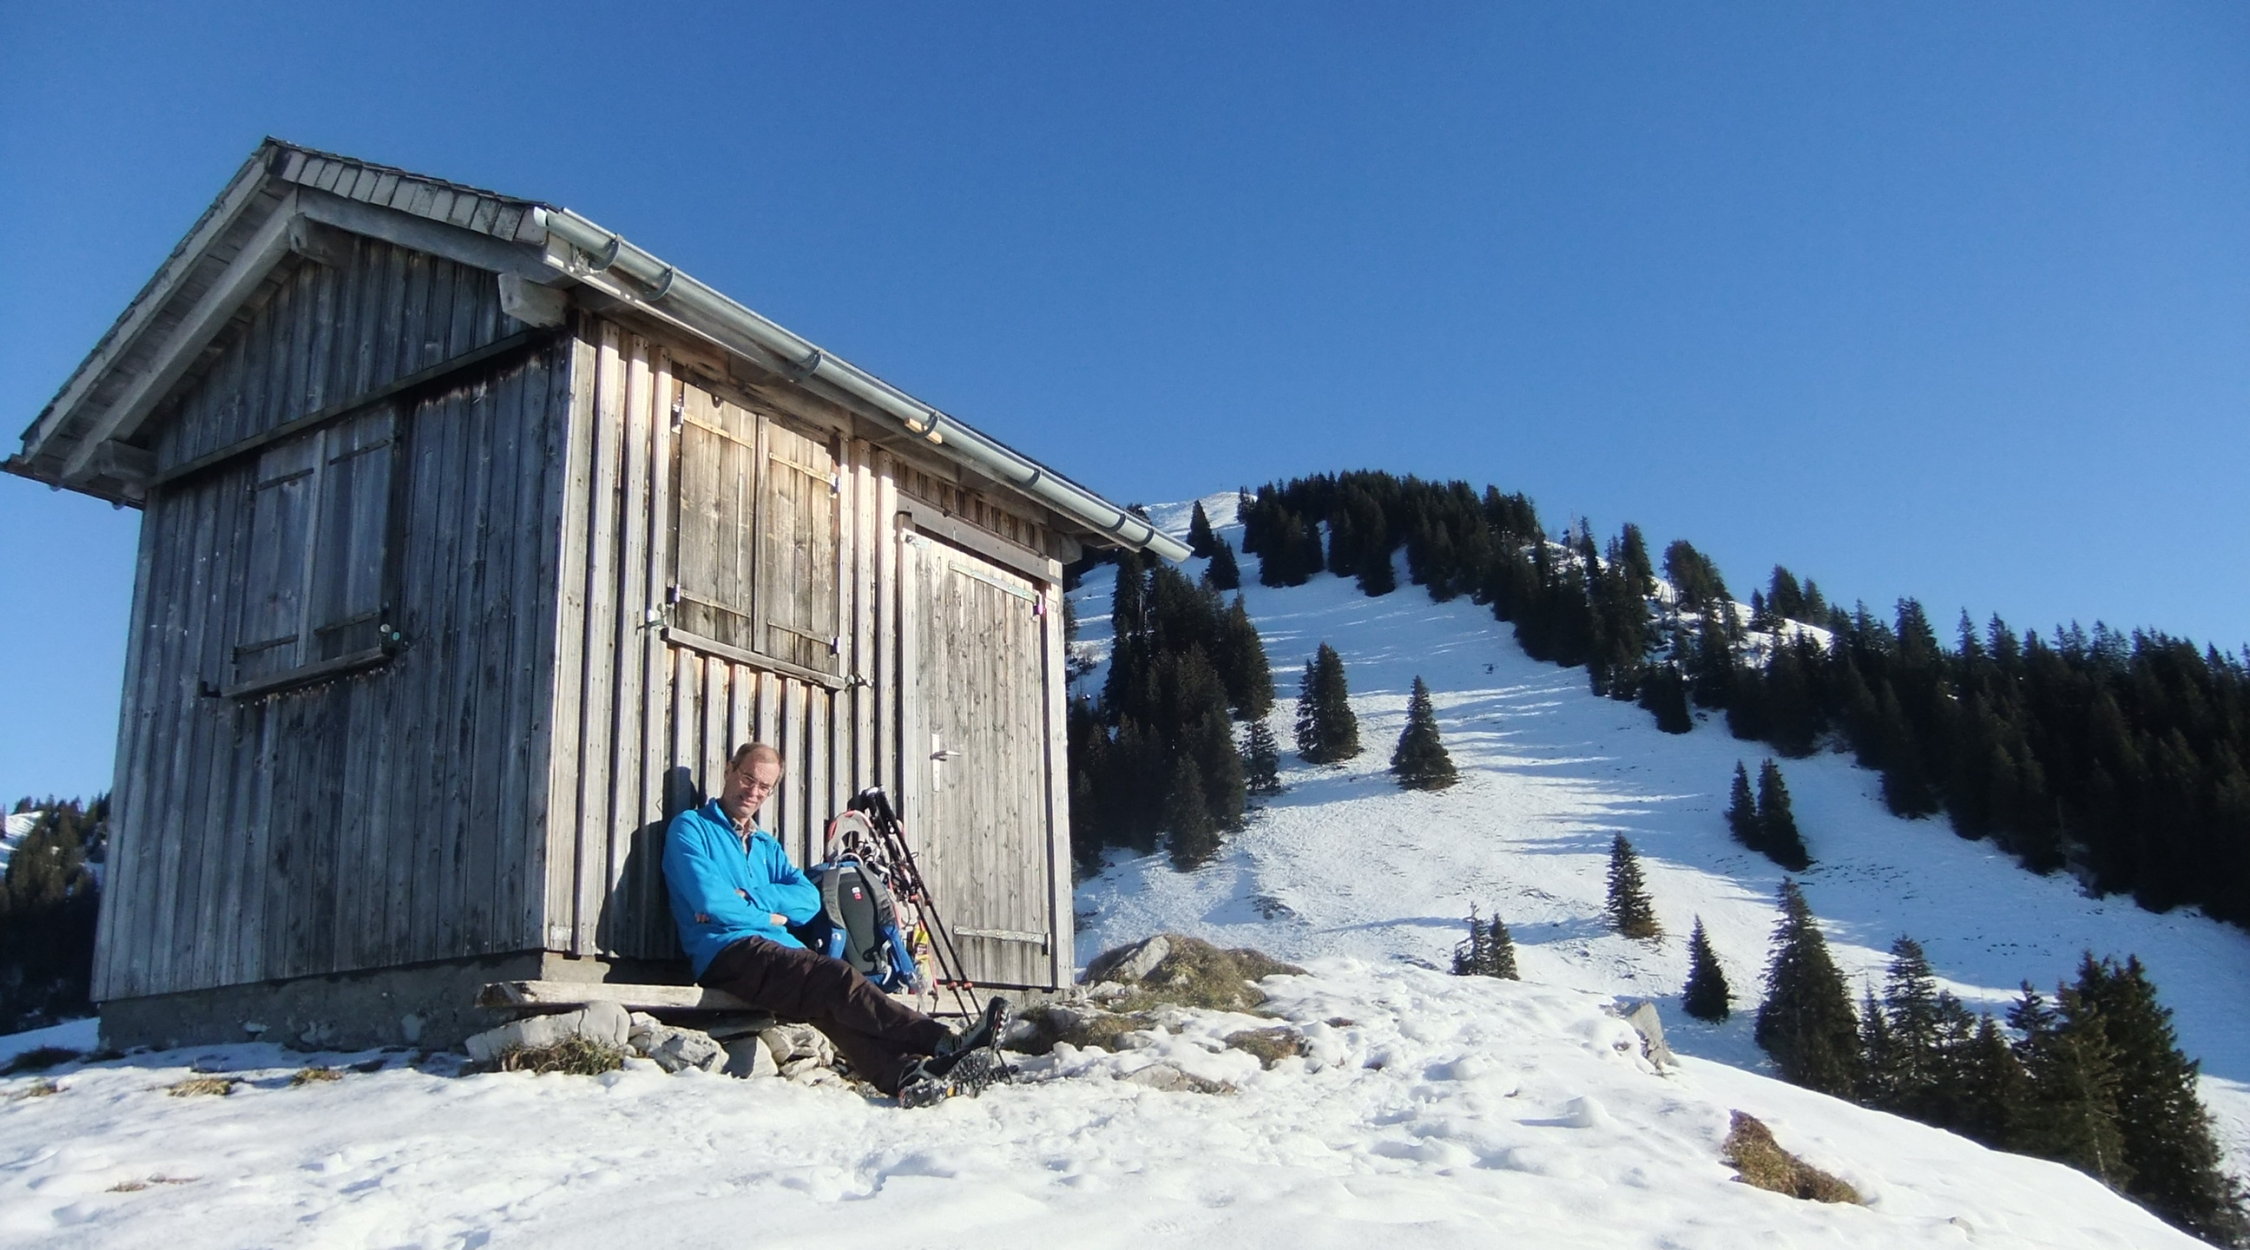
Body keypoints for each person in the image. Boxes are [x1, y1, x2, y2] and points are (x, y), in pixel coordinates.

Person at [663, 742, 1008, 1105]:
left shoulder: (765, 844)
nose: (753, 791)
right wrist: (770, 916)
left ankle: (906, 1076)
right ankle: (944, 1042)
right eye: (748, 778)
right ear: (729, 770)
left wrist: (750, 898)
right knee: (835, 978)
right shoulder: (691, 828)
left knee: (827, 1001)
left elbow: (808, 901)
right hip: (725, 951)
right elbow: (710, 902)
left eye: (764, 786)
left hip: (776, 949)